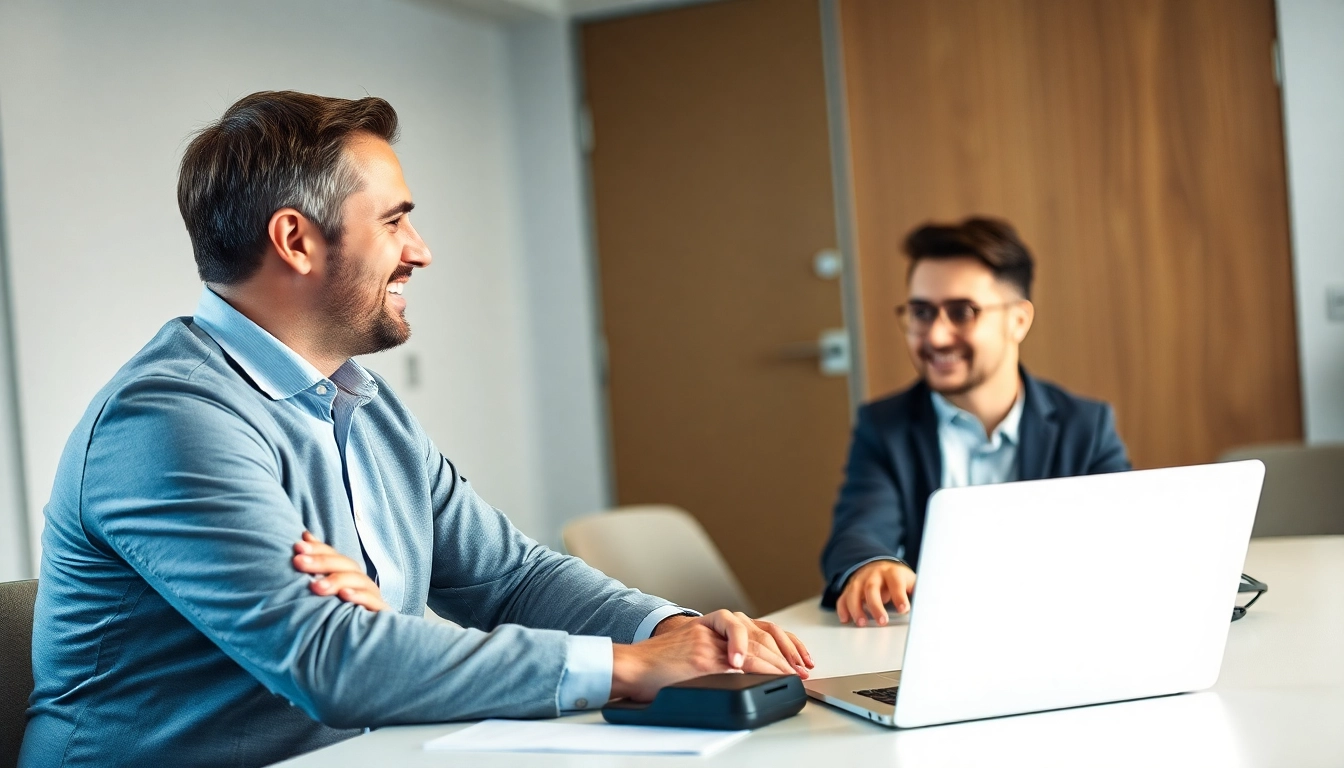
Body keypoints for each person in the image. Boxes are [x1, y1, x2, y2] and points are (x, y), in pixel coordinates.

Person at [21, 91, 812, 768]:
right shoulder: (167, 420)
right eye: (394, 221)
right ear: (296, 240)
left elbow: (508, 579)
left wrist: (676, 632)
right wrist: (629, 668)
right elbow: (332, 659)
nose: (420, 251)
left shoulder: (362, 408)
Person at [819, 217, 1130, 626]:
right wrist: (872, 566)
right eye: (921, 312)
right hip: (933, 641)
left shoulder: (1085, 426)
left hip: (1060, 632)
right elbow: (859, 530)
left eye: (961, 312)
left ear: (1018, 321)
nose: (936, 337)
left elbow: (1124, 539)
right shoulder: (884, 426)